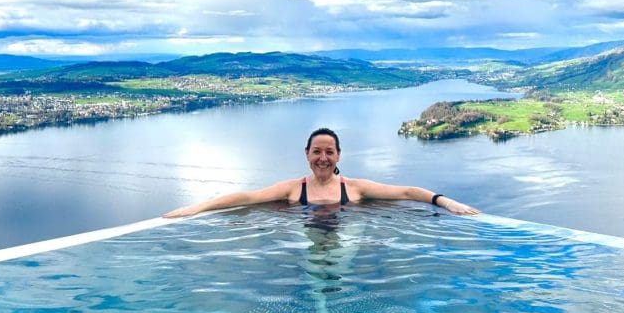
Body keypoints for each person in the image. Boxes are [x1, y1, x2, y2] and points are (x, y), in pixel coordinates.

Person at [163, 127, 480, 218]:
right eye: (317, 151)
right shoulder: (292, 189)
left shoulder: (354, 188)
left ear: (339, 155)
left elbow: (407, 193)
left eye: (329, 152)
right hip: (309, 245)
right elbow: (246, 197)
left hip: (343, 242)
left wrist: (446, 202)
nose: (323, 158)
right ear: (307, 155)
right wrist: (196, 208)